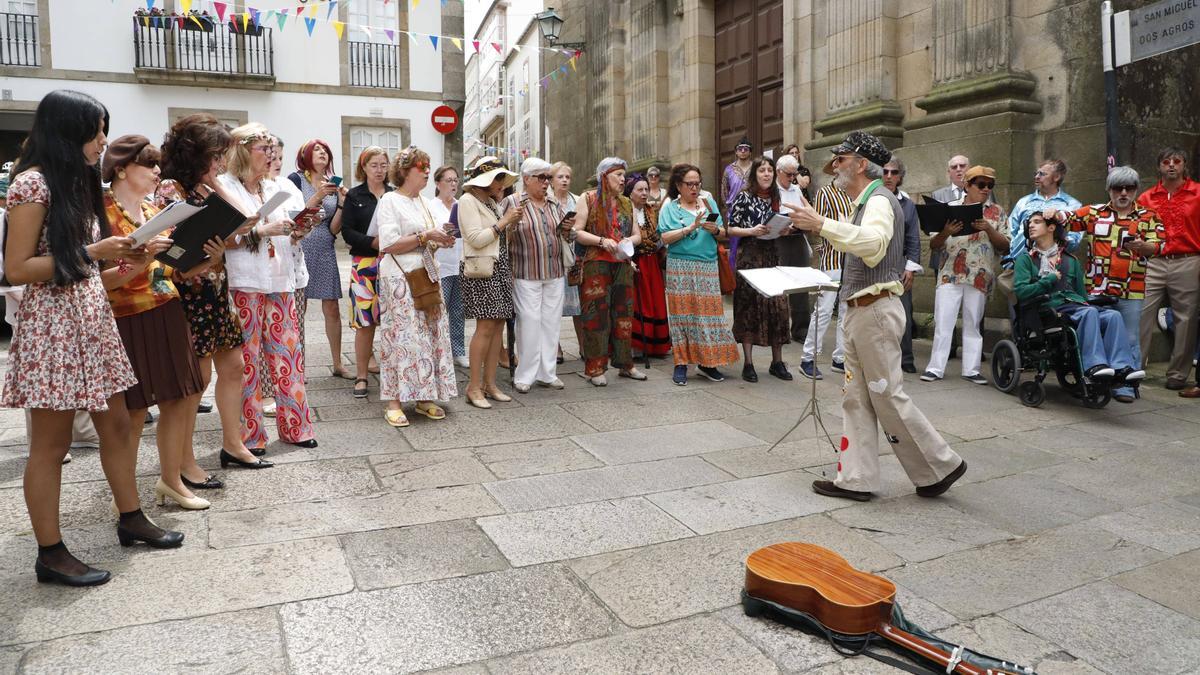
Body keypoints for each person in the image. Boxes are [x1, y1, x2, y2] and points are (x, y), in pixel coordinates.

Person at [3, 90, 183, 586]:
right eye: (96, 130)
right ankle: (50, 552)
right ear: (67, 131)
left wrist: (134, 263)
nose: (102, 141)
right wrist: (93, 248)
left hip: (90, 317)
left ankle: (131, 518)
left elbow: (83, 272)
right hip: (53, 330)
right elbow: (17, 267)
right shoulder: (32, 184)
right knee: (50, 445)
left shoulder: (74, 184)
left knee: (120, 426)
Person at [786, 130, 966, 502]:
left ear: (861, 164)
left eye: (842, 158)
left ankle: (941, 465)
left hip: (875, 311)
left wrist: (820, 225)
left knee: (887, 395)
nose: (835, 166)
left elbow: (872, 247)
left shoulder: (880, 201)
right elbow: (859, 242)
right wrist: (822, 225)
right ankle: (856, 479)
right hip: (860, 310)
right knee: (857, 397)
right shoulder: (865, 203)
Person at [101, 135, 215, 509]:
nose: (156, 172)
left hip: (166, 307)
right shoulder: (102, 212)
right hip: (125, 316)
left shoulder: (155, 212)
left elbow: (172, 271)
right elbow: (100, 279)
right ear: (120, 169)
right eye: (148, 165)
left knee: (179, 399)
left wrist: (206, 259)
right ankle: (126, 496)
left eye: (156, 165)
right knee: (133, 410)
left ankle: (171, 481)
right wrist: (141, 259)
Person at [159, 114, 272, 471]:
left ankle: (233, 444)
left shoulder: (208, 187)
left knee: (235, 366)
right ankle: (185, 461)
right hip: (189, 290)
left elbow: (241, 217)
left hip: (216, 284)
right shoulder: (171, 189)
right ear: (196, 155)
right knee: (199, 379)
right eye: (216, 155)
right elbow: (170, 250)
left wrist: (214, 183)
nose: (222, 163)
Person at [219, 123, 317, 451]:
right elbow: (221, 239)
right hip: (245, 281)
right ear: (243, 151)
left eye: (272, 149)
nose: (271, 155)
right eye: (264, 149)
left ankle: (296, 427)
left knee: (289, 354)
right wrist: (262, 231)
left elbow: (285, 231)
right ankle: (251, 436)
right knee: (247, 361)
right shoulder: (225, 187)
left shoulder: (276, 186)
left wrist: (298, 230)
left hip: (281, 278)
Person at [1057, 167, 1163, 402]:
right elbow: (1068, 220)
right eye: (1118, 188)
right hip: (1097, 287)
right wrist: (1053, 212)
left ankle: (1126, 386)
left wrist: (1143, 247)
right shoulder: (1094, 213)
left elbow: (1159, 246)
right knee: (1098, 331)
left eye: (1129, 188)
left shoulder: (1148, 216)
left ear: (1136, 190)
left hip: (1131, 287)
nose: (1123, 193)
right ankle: (1098, 379)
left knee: (1130, 337)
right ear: (1109, 189)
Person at [371, 146, 458, 426]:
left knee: (427, 336)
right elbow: (388, 244)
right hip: (399, 278)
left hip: (426, 273)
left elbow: (425, 238)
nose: (427, 172)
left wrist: (440, 239)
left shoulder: (423, 201)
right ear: (406, 171)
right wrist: (425, 236)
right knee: (402, 339)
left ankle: (423, 396)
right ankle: (393, 401)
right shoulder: (389, 200)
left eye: (428, 167)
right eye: (422, 168)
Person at [1014, 211, 1146, 384]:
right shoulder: (1026, 260)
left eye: (1037, 222)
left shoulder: (1071, 261)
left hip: (1074, 307)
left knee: (1113, 315)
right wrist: (1048, 280)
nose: (1031, 225)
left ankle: (1121, 367)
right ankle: (1094, 365)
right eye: (1030, 223)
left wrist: (1090, 303)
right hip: (1046, 309)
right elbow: (1021, 292)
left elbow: (1081, 296)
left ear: (1051, 228)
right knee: (1089, 313)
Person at [922, 166, 1009, 384]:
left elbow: (1005, 246)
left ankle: (971, 369)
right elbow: (933, 244)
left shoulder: (997, 212)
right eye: (981, 185)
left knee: (973, 324)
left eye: (990, 185)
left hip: (979, 276)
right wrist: (946, 232)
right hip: (949, 273)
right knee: (943, 322)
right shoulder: (949, 208)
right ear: (967, 185)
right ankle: (935, 368)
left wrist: (989, 229)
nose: (986, 189)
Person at [657, 163, 739, 385]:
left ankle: (706, 362)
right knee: (681, 315)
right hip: (680, 265)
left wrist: (715, 230)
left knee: (708, 316)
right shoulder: (670, 208)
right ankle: (681, 363)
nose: (694, 188)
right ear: (678, 185)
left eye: (697, 183)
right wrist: (690, 228)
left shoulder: (708, 202)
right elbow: (664, 238)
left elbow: (722, 231)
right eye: (689, 184)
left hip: (707, 265)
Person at [573, 157, 646, 386]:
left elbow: (638, 235)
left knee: (624, 315)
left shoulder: (626, 203)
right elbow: (577, 231)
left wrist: (628, 241)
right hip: (596, 263)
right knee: (596, 316)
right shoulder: (588, 198)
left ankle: (625, 364)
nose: (623, 179)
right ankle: (595, 368)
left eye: (624, 175)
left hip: (622, 263)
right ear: (604, 176)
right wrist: (602, 240)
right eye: (618, 175)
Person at [458, 156, 521, 408]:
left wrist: (508, 223)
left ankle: (490, 384)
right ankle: (473, 387)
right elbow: (475, 238)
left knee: (497, 327)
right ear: (487, 181)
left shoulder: (491, 203)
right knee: (484, 328)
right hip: (481, 271)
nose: (503, 186)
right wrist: (504, 221)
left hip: (498, 268)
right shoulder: (467, 201)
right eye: (500, 181)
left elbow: (496, 236)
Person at [504, 157, 570, 392]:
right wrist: (511, 224)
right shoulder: (512, 202)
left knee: (551, 323)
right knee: (529, 322)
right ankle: (525, 374)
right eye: (541, 178)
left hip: (554, 270)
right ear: (526, 179)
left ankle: (547, 372)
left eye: (548, 178)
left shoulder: (553, 203)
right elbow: (503, 236)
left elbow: (563, 235)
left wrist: (568, 230)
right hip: (525, 271)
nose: (546, 183)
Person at [1138, 147, 1200, 394]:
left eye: (1177, 161)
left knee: (1186, 318)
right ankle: (1134, 366)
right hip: (1154, 259)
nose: (1171, 165)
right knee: (1141, 312)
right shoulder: (1147, 197)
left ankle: (1177, 373)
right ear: (1159, 166)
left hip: (1188, 259)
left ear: (1185, 165)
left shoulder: (1197, 193)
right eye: (1166, 162)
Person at [727, 156, 792, 382]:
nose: (766, 174)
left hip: (772, 255)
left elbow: (781, 221)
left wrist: (784, 229)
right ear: (754, 174)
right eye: (762, 170)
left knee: (778, 307)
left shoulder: (776, 197)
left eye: (770, 171)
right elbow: (730, 228)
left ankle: (777, 362)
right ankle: (748, 363)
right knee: (749, 307)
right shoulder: (744, 196)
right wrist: (751, 231)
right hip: (750, 257)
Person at [288, 139, 347, 377]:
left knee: (332, 307)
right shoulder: (295, 180)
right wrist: (319, 195)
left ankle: (338, 363)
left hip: (324, 245)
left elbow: (333, 229)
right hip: (300, 244)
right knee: (298, 308)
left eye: (325, 150)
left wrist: (342, 203)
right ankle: (297, 366)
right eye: (317, 150)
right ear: (306, 156)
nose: (323, 153)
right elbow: (296, 216)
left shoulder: (333, 182)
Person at [340, 146, 389, 399]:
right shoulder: (355, 195)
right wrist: (372, 242)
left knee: (392, 321)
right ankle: (361, 375)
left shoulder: (394, 194)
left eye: (383, 164)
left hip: (391, 263)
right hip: (365, 263)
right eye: (374, 165)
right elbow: (346, 231)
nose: (379, 170)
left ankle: (394, 373)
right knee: (365, 322)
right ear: (364, 168)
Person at [1000, 159, 1083, 296]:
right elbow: (1010, 232)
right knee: (1020, 313)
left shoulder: (1072, 205)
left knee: (1054, 310)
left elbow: (1074, 241)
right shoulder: (1024, 202)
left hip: (1055, 267)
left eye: (1042, 174)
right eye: (1036, 173)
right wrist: (1009, 261)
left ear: (1056, 177)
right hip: (1021, 265)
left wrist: (1054, 230)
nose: (1037, 177)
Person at [799, 181, 855, 380]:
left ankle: (840, 357)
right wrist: (838, 228)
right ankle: (808, 357)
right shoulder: (825, 192)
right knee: (823, 310)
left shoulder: (853, 192)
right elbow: (815, 227)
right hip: (832, 259)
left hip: (852, 260)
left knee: (846, 311)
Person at [882, 158, 923, 373]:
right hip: (875, 265)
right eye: (885, 171)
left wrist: (911, 268)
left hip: (900, 266)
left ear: (900, 177)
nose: (889, 176)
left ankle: (906, 359)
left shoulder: (908, 205)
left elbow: (913, 239)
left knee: (903, 314)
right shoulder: (873, 199)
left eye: (894, 172)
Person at [626, 173, 671, 359]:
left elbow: (658, 234)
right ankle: (635, 346)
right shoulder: (626, 211)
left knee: (655, 301)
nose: (644, 193)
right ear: (630, 192)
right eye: (640, 190)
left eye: (646, 189)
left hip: (651, 261)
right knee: (638, 302)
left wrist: (659, 241)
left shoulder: (651, 211)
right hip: (635, 260)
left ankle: (656, 344)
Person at [430, 165, 467, 367]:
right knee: (439, 311)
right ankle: (439, 351)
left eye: (455, 180)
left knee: (458, 309)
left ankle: (459, 350)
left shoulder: (461, 205)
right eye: (449, 180)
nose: (453, 184)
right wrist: (441, 230)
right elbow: (427, 230)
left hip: (459, 262)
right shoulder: (430, 206)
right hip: (440, 265)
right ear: (438, 183)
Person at [548, 161, 583, 362]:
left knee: (578, 306)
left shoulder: (577, 200)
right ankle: (556, 347)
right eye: (560, 177)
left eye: (567, 177)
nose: (564, 180)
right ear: (552, 181)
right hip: (553, 258)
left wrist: (573, 231)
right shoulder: (546, 201)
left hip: (574, 256)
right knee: (553, 306)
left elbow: (583, 226)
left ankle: (583, 345)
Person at [775, 154, 811, 342]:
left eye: (794, 174)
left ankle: (801, 327)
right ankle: (779, 327)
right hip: (779, 240)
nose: (791, 178)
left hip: (797, 237)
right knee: (779, 284)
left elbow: (805, 212)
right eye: (788, 175)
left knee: (801, 283)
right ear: (779, 172)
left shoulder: (797, 190)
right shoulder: (773, 190)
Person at [930, 155, 970, 274]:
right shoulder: (937, 195)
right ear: (949, 172)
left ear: (969, 168)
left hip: (972, 256)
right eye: (954, 167)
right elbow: (933, 228)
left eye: (962, 166)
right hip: (944, 255)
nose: (958, 169)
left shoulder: (982, 191)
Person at [721, 137, 754, 265]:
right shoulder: (729, 170)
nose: (743, 151)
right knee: (734, 247)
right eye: (740, 149)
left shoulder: (756, 168)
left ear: (750, 152)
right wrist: (730, 208)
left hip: (752, 212)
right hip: (734, 213)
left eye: (746, 149)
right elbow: (724, 191)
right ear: (736, 152)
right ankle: (733, 279)